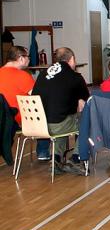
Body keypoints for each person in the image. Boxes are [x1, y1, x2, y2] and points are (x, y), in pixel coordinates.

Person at [30, 47, 88, 175]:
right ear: (72, 59)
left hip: (37, 124)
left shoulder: (43, 74)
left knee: (62, 117)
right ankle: (76, 158)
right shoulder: (75, 77)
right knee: (86, 120)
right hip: (57, 125)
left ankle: (55, 159)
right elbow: (86, 100)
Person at [0, 46, 35, 127]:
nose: (29, 60)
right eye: (28, 57)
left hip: (3, 121)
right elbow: (37, 96)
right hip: (20, 119)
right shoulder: (23, 75)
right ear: (21, 58)